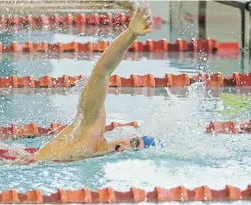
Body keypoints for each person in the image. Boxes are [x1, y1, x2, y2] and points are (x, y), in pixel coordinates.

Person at [15, 6, 157, 164]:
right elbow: (101, 71)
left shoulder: (94, 162)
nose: (126, 148)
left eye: (132, 152)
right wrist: (131, 34)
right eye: (134, 142)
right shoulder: (92, 128)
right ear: (127, 137)